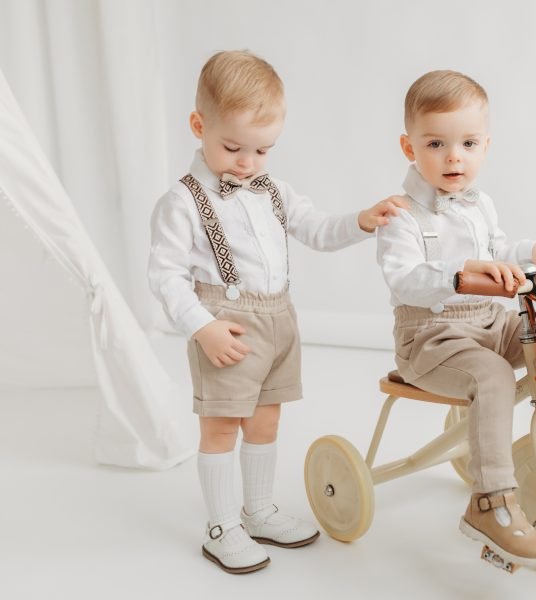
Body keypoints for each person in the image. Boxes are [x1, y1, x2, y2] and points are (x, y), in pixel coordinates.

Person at [148, 50, 406, 574]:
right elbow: (165, 277)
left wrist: (360, 220)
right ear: (199, 126)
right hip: (227, 324)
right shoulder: (182, 202)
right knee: (222, 425)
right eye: (233, 147)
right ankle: (221, 525)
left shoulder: (273, 191)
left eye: (263, 150)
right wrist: (204, 327)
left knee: (266, 418)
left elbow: (316, 229)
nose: (247, 162)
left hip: (280, 320)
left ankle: (258, 508)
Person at [376, 70, 536, 568]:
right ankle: (490, 502)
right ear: (409, 148)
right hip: (430, 337)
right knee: (493, 375)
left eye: (468, 143)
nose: (454, 156)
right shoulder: (400, 215)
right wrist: (459, 274)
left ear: (485, 146)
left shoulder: (479, 205)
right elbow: (403, 278)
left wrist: (530, 251)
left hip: (488, 323)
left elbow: (498, 249)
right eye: (436, 143)